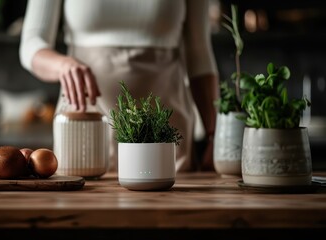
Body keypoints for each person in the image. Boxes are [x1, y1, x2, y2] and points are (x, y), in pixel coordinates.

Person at [19, 0, 219, 172]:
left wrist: (214, 135)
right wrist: (62, 65)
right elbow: (31, 44)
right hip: (84, 131)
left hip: (165, 137)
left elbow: (199, 54)